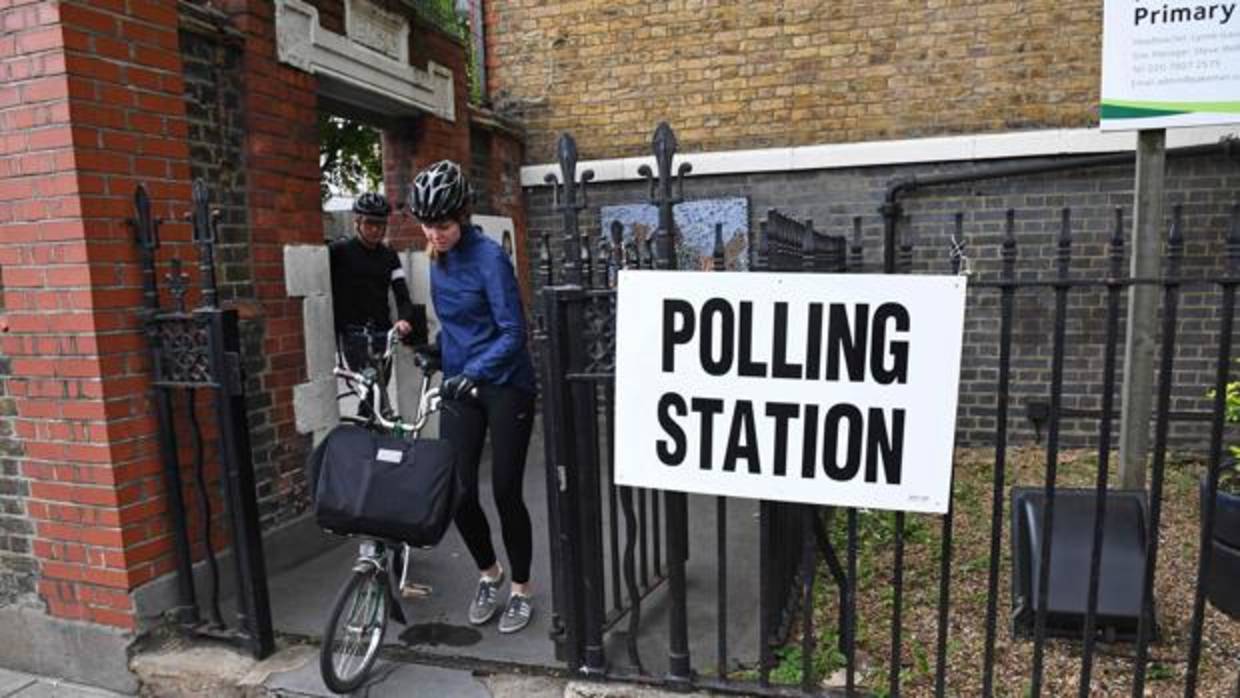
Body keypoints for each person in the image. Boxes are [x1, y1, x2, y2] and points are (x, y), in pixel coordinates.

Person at [409, 160, 538, 634]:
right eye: (427, 225)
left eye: (442, 225)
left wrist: (475, 371)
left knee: (505, 490)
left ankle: (521, 588)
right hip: (463, 381)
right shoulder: (437, 259)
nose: (435, 233)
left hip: (506, 384)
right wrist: (436, 353)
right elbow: (460, 328)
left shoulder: (489, 258)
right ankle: (490, 573)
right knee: (458, 489)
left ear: (461, 215)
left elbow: (512, 332)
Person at [329, 192, 418, 418]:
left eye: (381, 224)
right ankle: (367, 436)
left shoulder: (389, 256)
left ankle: (368, 432)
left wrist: (405, 319)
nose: (376, 230)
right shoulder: (339, 252)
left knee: (379, 389)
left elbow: (402, 294)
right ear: (357, 222)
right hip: (353, 335)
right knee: (370, 389)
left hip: (382, 333)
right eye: (370, 223)